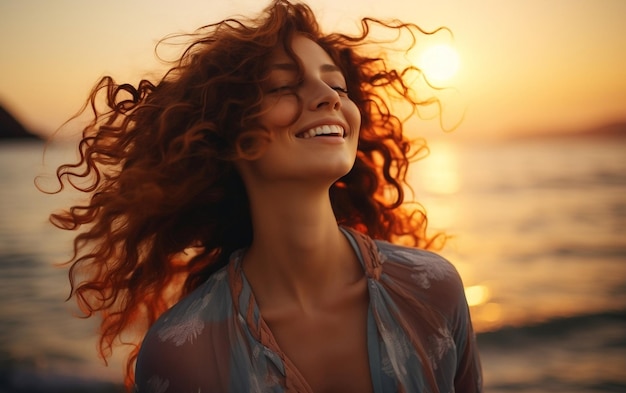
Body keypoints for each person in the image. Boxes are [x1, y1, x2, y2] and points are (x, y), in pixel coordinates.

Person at [49, 0, 482, 391]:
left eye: (339, 87)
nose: (330, 97)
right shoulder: (183, 355)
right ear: (228, 133)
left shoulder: (432, 291)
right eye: (282, 87)